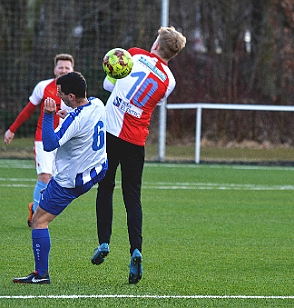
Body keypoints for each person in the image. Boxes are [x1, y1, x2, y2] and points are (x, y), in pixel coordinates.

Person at [91, 26, 186, 284]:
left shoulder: (132, 56)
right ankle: (136, 249)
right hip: (135, 141)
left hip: (111, 133)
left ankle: (104, 242)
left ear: (156, 44)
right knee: (132, 197)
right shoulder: (169, 80)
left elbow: (108, 84)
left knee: (105, 187)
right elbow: (155, 101)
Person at [13, 72, 108, 284]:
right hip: (98, 169)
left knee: (38, 221)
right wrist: (69, 115)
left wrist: (48, 115)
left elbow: (49, 144)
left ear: (72, 96)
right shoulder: (97, 104)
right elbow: (85, 123)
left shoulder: (75, 118)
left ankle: (41, 275)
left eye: (61, 94)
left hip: (69, 182)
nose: (58, 97)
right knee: (42, 206)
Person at [4, 54, 75, 227]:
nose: (63, 70)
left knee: (59, 181)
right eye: (61, 67)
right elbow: (29, 110)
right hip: (43, 138)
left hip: (66, 141)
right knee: (44, 176)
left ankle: (36, 208)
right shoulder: (43, 87)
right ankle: (37, 216)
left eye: (67, 68)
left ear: (72, 70)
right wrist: (12, 129)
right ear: (55, 69)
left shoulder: (77, 90)